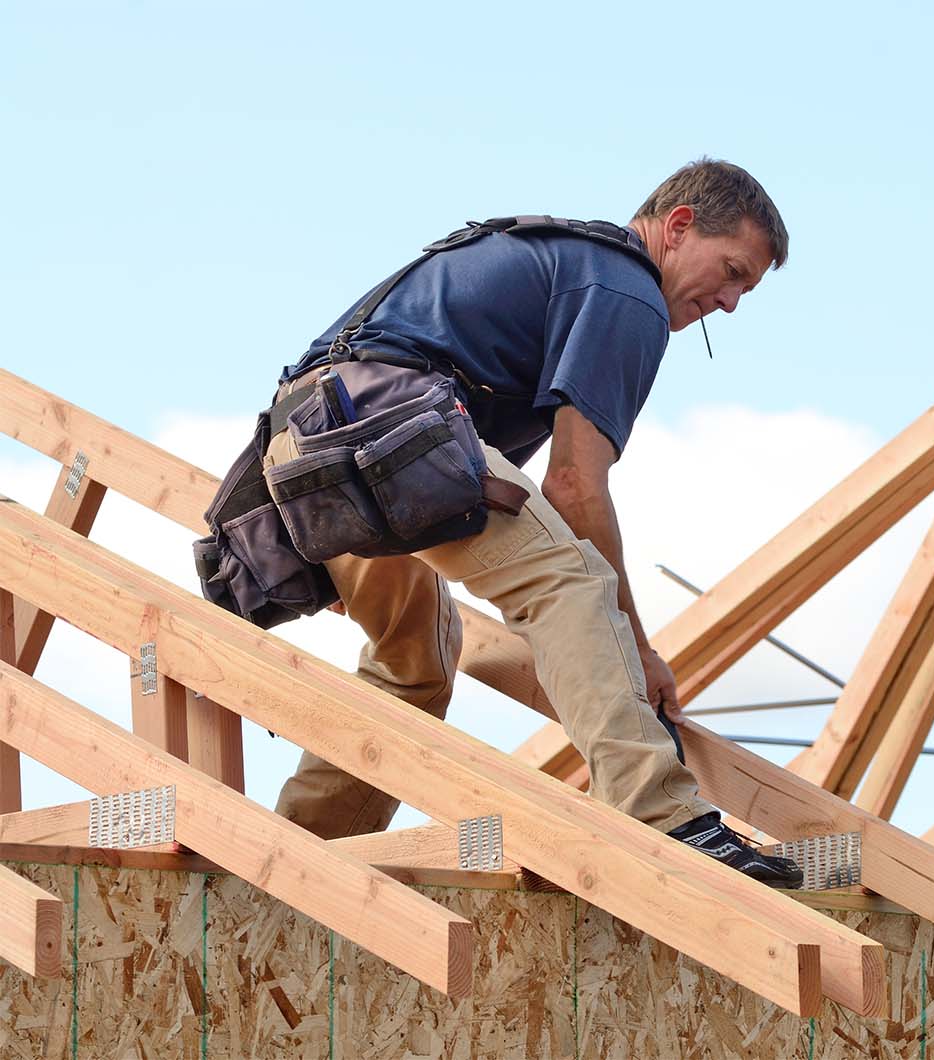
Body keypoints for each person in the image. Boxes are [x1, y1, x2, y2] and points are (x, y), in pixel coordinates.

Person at [262, 158, 801, 886]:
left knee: (414, 664)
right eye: (733, 270)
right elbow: (576, 487)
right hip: (383, 427)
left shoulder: (565, 263)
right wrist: (636, 645)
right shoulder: (627, 287)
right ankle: (666, 820)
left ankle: (295, 865)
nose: (732, 302)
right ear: (677, 227)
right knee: (570, 581)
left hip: (309, 448)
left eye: (747, 289)